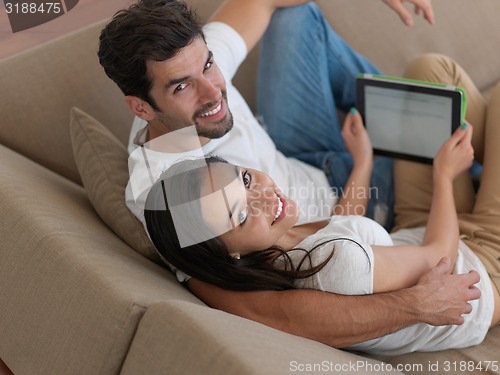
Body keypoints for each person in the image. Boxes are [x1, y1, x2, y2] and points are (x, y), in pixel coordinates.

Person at [97, 0, 481, 348]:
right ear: (141, 108)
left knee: (294, 16)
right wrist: (413, 304)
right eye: (183, 87)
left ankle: (403, 123)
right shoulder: (166, 194)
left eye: (209, 64)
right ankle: (469, 171)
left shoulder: (192, 62)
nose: (214, 92)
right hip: (350, 209)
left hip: (301, 157)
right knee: (437, 83)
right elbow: (267, 312)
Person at [143, 56, 500, 354]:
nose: (265, 198)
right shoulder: (335, 266)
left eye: (245, 180)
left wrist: (363, 162)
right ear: (227, 255)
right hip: (481, 264)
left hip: (417, 232)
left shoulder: (273, 252)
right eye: (241, 214)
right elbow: (440, 256)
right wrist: (444, 175)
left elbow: (344, 230)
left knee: (430, 73)